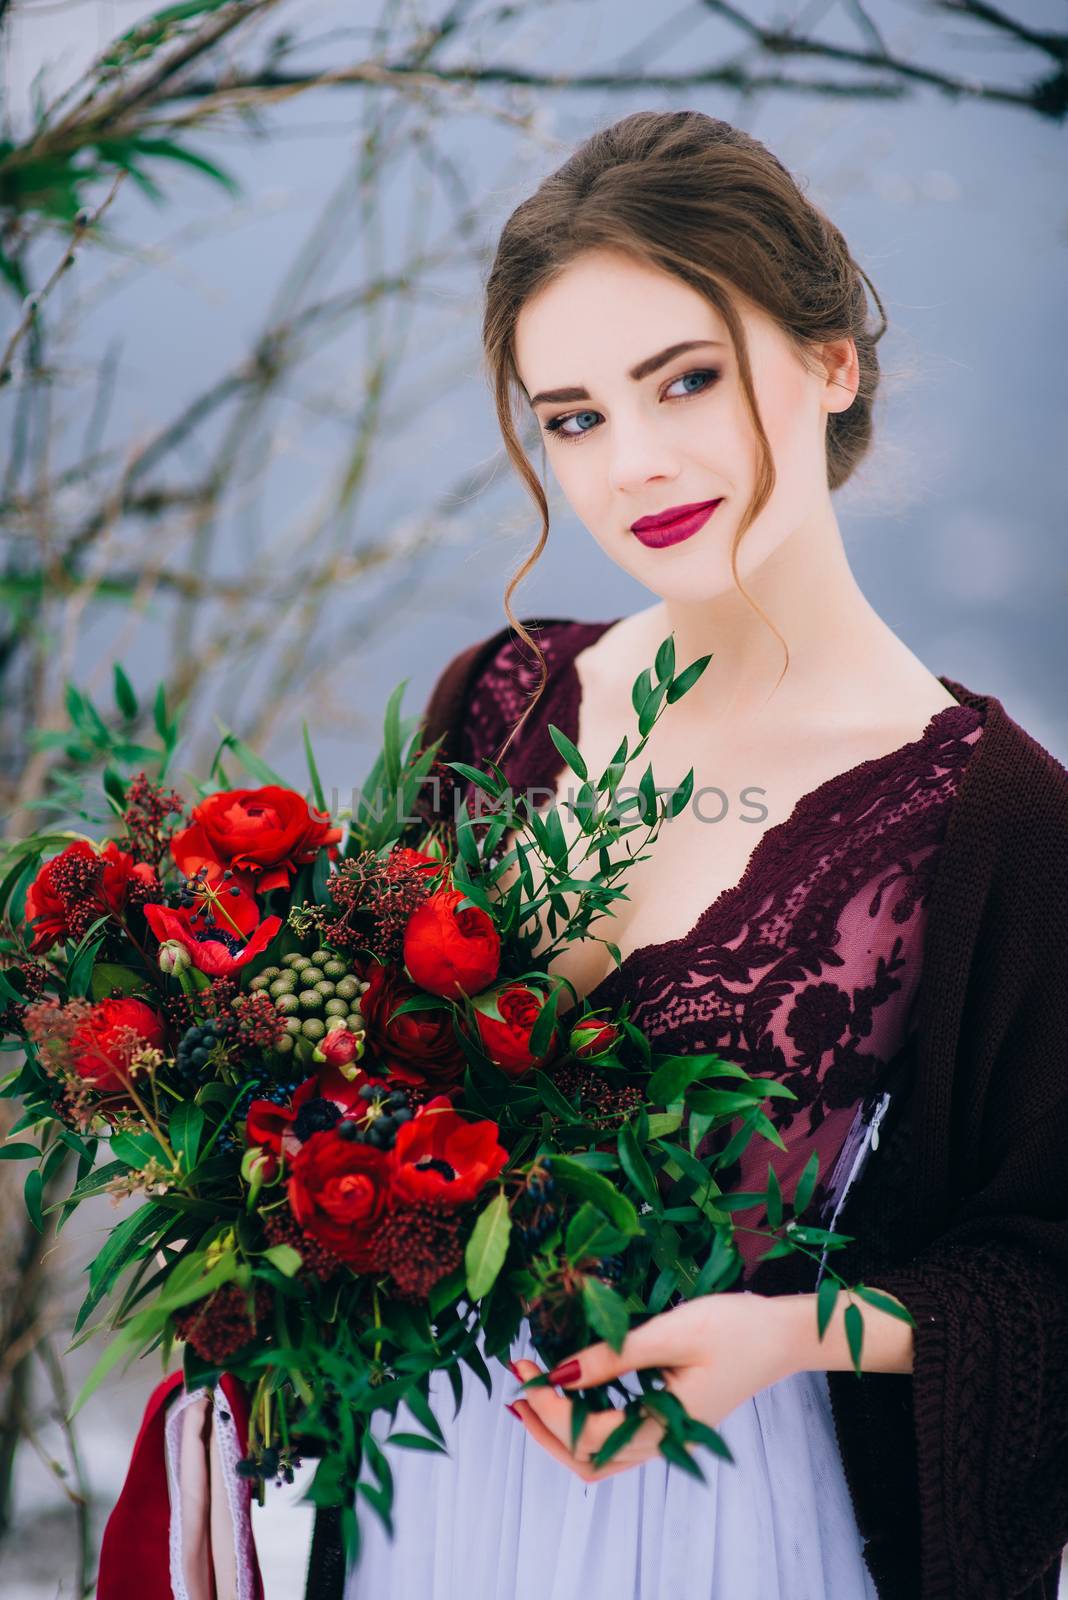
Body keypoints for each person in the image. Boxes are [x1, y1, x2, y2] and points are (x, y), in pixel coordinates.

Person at [326, 111, 1068, 1600]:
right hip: (431, 1487)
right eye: (576, 416)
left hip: (739, 1515)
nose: (635, 463)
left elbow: (1047, 1262)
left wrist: (793, 1331)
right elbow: (346, 1086)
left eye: (687, 380)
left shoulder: (999, 824)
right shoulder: (495, 694)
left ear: (829, 362)